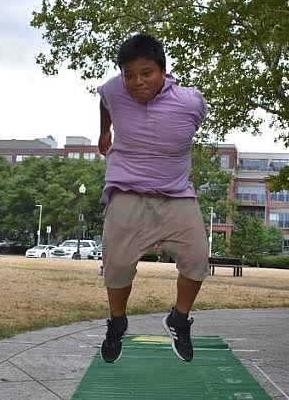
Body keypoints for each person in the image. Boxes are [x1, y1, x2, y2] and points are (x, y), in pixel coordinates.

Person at [98, 33, 209, 363]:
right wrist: (104, 131)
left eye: (146, 73)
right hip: (128, 193)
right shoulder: (114, 88)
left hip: (176, 194)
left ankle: (179, 318)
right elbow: (104, 100)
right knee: (116, 266)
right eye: (129, 75)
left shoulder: (190, 102)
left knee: (198, 258)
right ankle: (117, 322)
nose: (137, 82)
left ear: (163, 70)